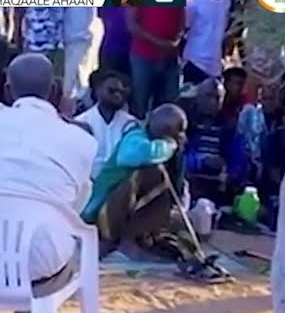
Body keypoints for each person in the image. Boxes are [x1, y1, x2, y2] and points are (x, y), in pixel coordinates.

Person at [0, 53, 97, 313]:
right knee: (47, 239)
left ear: (7, 89)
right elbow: (76, 206)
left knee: (11, 228)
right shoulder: (82, 142)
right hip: (42, 265)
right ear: (55, 90)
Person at [83, 103, 229, 282]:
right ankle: (127, 242)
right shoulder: (136, 137)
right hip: (103, 214)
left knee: (176, 231)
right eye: (179, 131)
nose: (183, 136)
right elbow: (129, 157)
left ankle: (188, 257)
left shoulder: (171, 153)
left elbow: (176, 193)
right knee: (152, 172)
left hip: (130, 214)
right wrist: (169, 146)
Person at [181, 78, 248, 207]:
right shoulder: (186, 124)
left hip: (217, 186)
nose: (212, 102)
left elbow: (238, 159)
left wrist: (229, 174)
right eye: (208, 96)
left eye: (217, 98)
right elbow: (178, 156)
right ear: (198, 97)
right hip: (188, 183)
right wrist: (202, 161)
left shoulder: (228, 127)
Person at [74, 70, 138, 179]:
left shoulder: (130, 123)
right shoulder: (82, 122)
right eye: (112, 90)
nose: (117, 95)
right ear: (97, 91)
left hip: (121, 182)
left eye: (122, 92)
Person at [128, 1, 185, 118]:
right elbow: (132, 25)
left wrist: (175, 41)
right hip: (143, 56)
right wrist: (160, 43)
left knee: (170, 104)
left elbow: (182, 24)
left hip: (170, 58)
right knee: (140, 103)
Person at [181, 0, 233, 84]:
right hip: (195, 61)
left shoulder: (226, 1)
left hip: (215, 65)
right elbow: (183, 31)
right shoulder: (195, 3)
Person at [60, 0, 94, 101]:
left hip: (78, 39)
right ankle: (81, 104)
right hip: (64, 41)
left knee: (68, 84)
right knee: (74, 80)